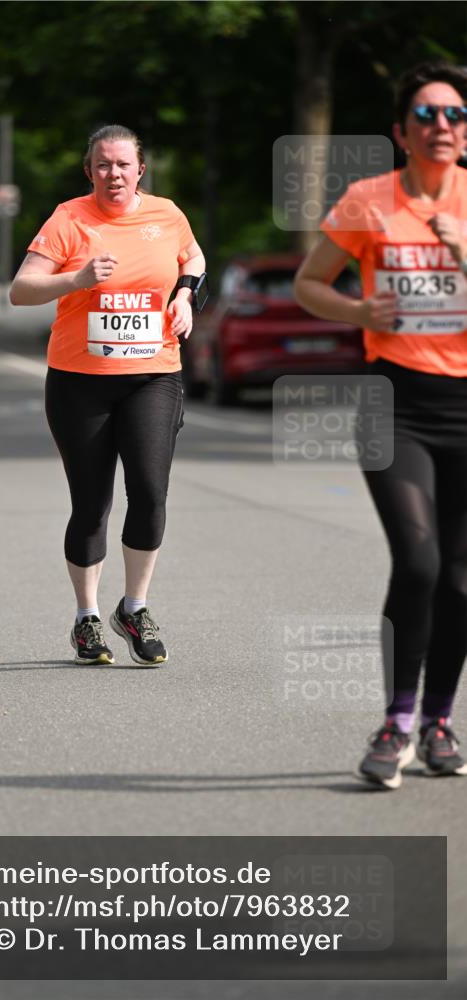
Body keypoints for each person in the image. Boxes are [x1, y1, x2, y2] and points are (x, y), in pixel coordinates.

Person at [294, 63, 467, 788]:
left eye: (455, 115)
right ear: (401, 131)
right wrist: (359, 312)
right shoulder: (368, 200)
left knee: (459, 581)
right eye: (426, 114)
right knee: (419, 561)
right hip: (392, 400)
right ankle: (395, 721)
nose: (442, 125)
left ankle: (437, 720)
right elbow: (309, 284)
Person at [10, 124, 206, 666]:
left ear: (140, 169)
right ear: (89, 170)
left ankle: (135, 607)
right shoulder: (68, 219)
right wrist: (76, 279)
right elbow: (21, 289)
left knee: (149, 490)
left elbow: (194, 258)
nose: (113, 174)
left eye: (122, 165)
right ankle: (87, 618)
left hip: (153, 374)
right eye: (102, 165)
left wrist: (187, 295)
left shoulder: (166, 214)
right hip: (79, 381)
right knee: (91, 504)